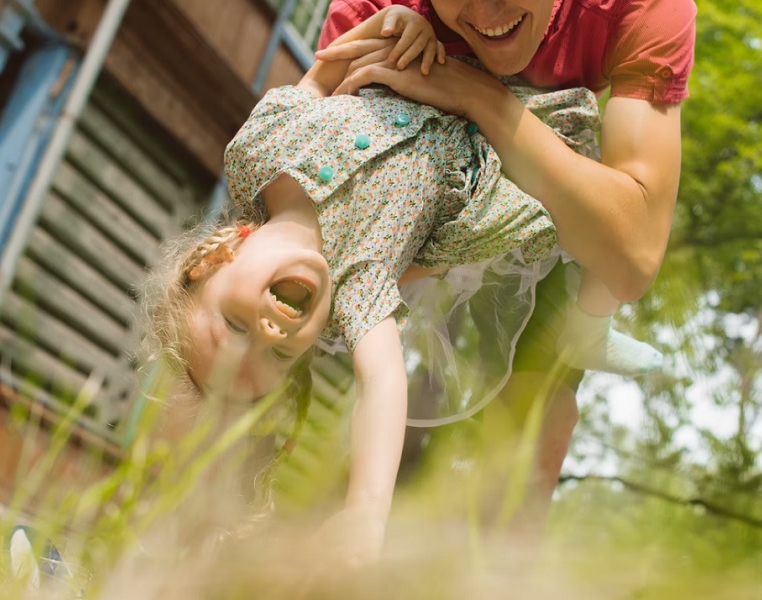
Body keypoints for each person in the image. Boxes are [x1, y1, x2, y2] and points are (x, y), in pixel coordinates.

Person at [139, 8, 667, 564]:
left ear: (213, 261)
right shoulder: (357, 290)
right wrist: (366, 510)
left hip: (422, 77)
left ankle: (589, 322)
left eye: (236, 324)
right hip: (488, 168)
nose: (269, 330)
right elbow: (381, 387)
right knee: (588, 235)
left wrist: (392, 23)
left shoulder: (253, 156)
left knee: (610, 237)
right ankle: (590, 322)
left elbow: (323, 71)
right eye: (280, 354)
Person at [315, 0, 697, 530]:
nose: (486, 10)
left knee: (544, 416)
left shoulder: (643, 8)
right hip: (417, 195)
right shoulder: (377, 10)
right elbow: (314, 212)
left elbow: (632, 258)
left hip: (552, 186)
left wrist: (479, 97)